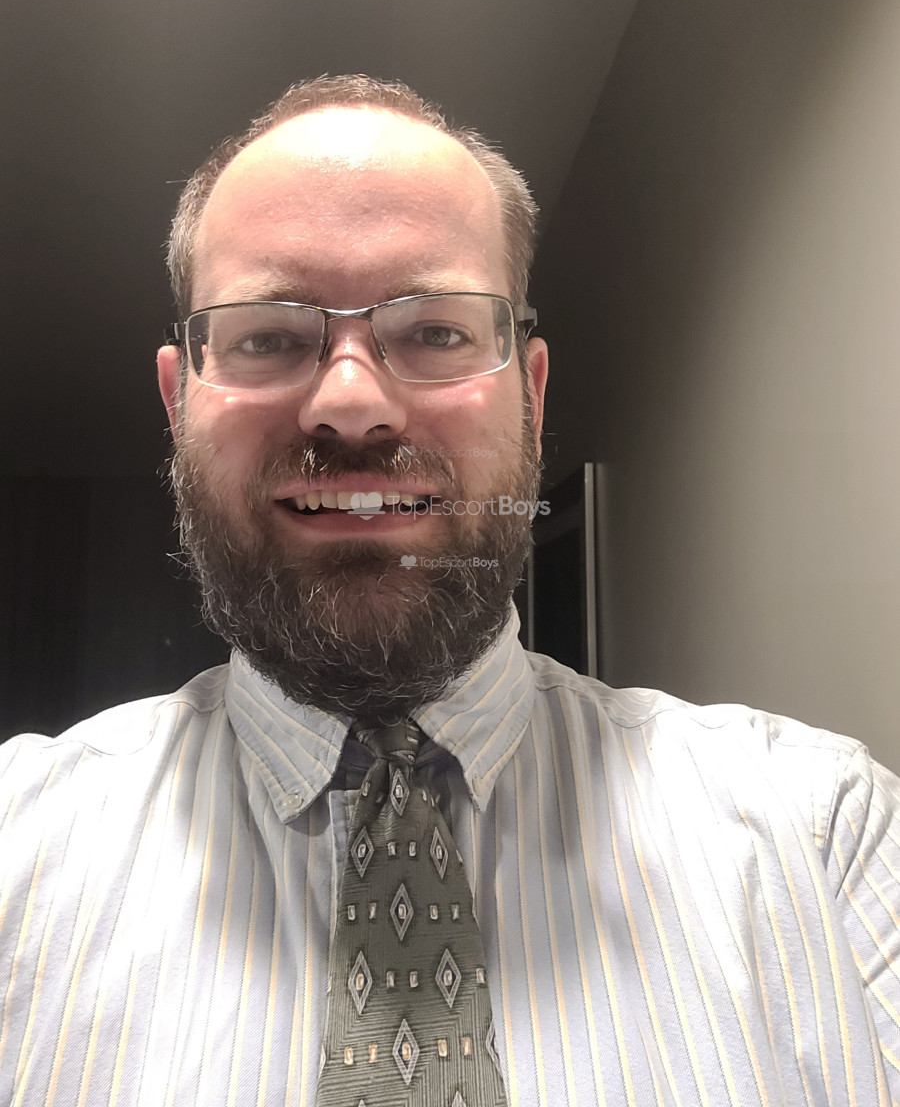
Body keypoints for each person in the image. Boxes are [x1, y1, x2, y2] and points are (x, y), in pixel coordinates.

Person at [1, 75, 897, 1107]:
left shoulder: (826, 837)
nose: (350, 403)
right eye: (266, 337)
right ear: (178, 401)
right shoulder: (16, 848)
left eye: (434, 331)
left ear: (531, 392)